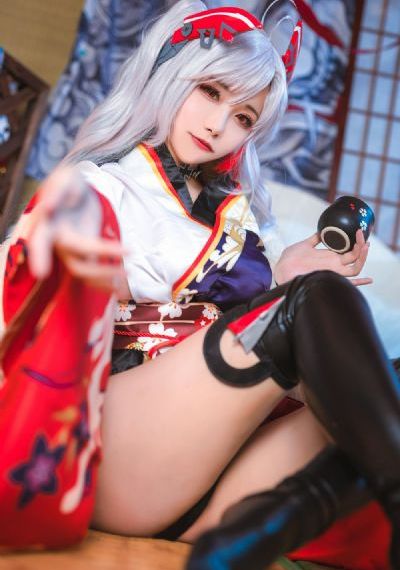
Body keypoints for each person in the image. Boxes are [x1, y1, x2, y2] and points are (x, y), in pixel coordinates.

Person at [0, 1, 398, 568]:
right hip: (119, 451)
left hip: (223, 472)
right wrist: (86, 272)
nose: (218, 125)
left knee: (386, 370)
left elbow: (245, 333)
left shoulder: (239, 215)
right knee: (316, 300)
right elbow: (19, 291)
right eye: (210, 92)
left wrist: (283, 277)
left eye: (243, 117)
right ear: (172, 74)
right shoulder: (99, 187)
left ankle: (262, 528)